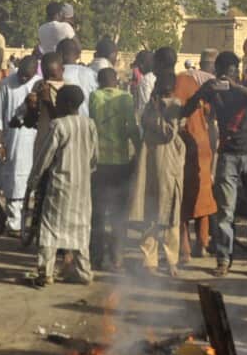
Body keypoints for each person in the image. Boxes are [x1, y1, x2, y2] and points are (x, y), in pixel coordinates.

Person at [185, 51, 247, 279]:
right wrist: (201, 94)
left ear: (237, 71)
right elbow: (187, 110)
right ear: (216, 71)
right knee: (225, 213)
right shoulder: (213, 90)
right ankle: (223, 260)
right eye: (222, 72)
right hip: (228, 156)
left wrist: (236, 86)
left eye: (231, 72)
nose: (225, 76)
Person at [26, 85, 96, 287]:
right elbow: (94, 157)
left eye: (58, 101)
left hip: (60, 185)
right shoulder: (89, 124)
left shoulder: (58, 125)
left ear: (65, 104)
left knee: (49, 228)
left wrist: (33, 181)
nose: (55, 104)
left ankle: (45, 273)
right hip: (82, 187)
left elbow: (45, 157)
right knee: (81, 228)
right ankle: (84, 273)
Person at [129, 72, 185, 278]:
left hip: (169, 162)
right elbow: (144, 122)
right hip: (149, 161)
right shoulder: (152, 105)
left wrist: (157, 109)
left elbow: (168, 132)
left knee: (170, 213)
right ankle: (149, 260)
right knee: (150, 209)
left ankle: (172, 260)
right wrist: (152, 109)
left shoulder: (174, 106)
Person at [89, 67, 138, 271]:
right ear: (116, 81)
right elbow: (132, 128)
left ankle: (97, 257)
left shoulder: (94, 96)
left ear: (99, 83)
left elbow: (92, 124)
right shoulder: (126, 98)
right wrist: (140, 148)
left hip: (99, 163)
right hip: (121, 162)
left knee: (98, 212)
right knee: (119, 212)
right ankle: (117, 257)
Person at [173, 48, 218, 260]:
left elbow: (175, 113)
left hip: (186, 143)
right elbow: (210, 112)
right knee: (203, 196)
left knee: (183, 198)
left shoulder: (182, 80)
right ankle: (202, 243)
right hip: (204, 142)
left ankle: (185, 249)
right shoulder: (212, 81)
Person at [0, 56, 39, 239]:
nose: (22, 79)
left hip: (35, 141)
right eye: (21, 75)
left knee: (34, 182)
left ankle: (29, 224)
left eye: (26, 77)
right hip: (13, 140)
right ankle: (13, 223)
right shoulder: (6, 84)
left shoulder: (40, 84)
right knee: (14, 182)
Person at [59, 38, 97, 117]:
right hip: (87, 123)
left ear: (60, 54)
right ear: (77, 55)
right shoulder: (91, 73)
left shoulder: (58, 75)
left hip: (66, 124)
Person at [132, 50, 156, 119]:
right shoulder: (157, 77)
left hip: (147, 122)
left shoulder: (145, 81)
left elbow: (145, 105)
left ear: (141, 65)